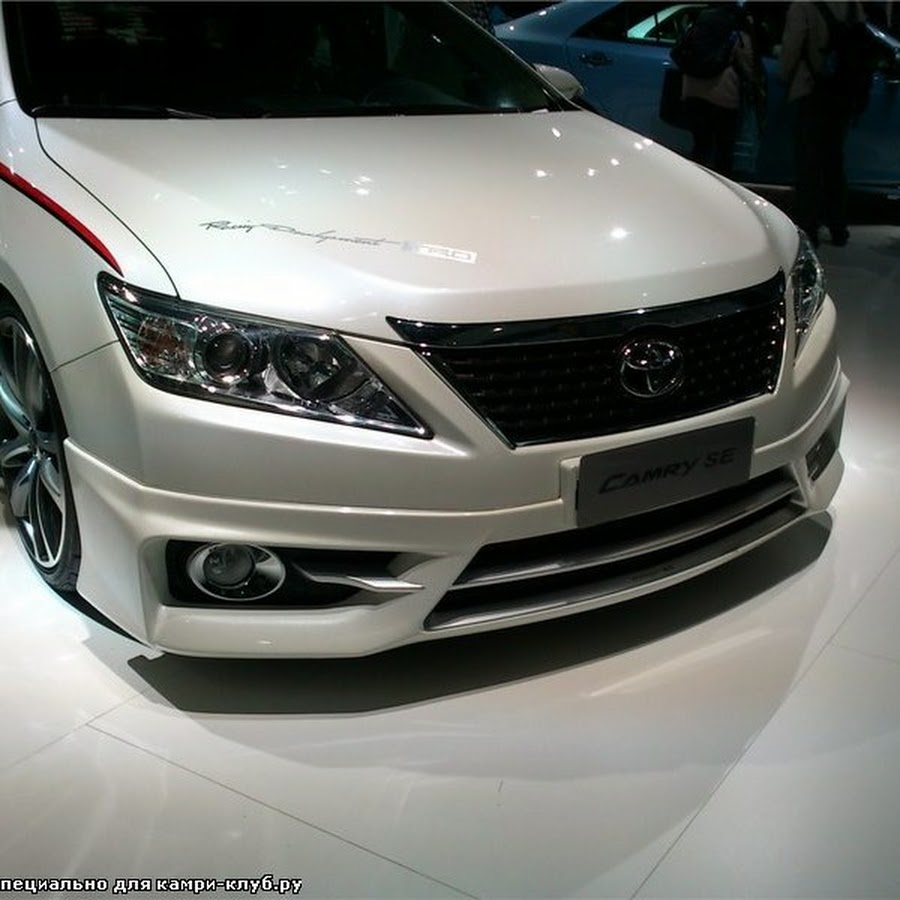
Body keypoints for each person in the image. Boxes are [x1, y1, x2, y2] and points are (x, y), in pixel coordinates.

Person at [780, 2, 865, 247]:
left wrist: (786, 76)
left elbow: (791, 48)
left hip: (812, 89)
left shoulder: (804, 5)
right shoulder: (853, 5)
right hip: (844, 94)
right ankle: (838, 227)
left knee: (808, 163)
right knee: (834, 161)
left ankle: (809, 227)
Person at [681, 5, 758, 178]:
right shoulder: (737, 29)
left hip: (692, 92)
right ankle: (720, 187)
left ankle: (695, 183)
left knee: (701, 146)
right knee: (724, 150)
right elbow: (748, 65)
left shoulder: (699, 23)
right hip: (724, 96)